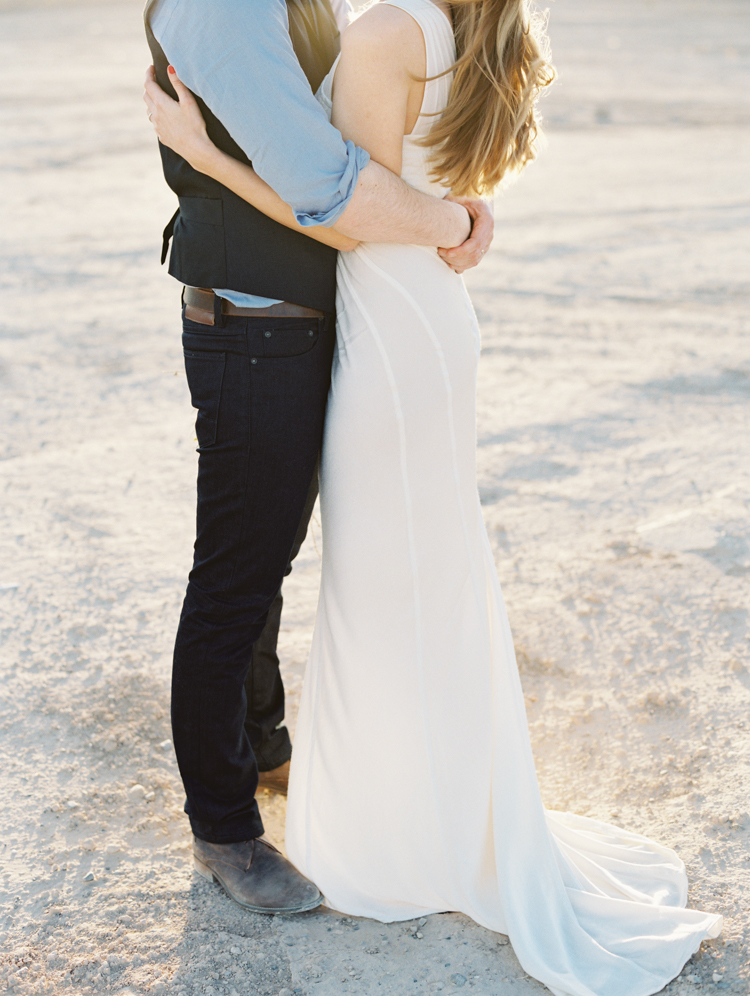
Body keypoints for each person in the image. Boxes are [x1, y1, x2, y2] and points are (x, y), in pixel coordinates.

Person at [145, 1, 723, 992]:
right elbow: (358, 189)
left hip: (378, 318)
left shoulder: (378, 27)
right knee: (288, 564)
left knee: (361, 579)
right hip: (348, 313)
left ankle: (356, 799)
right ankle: (238, 820)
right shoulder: (376, 22)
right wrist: (453, 216)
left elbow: (343, 202)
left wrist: (203, 150)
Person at [143, 0, 494, 917]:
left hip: (297, 317)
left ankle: (263, 749)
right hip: (253, 325)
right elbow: (325, 183)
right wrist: (452, 227)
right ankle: (224, 829)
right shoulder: (223, 7)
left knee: (268, 559)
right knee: (235, 574)